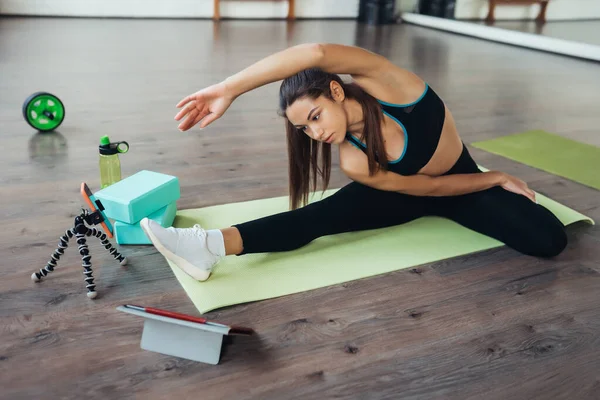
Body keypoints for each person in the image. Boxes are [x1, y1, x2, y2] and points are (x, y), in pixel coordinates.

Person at [140, 43, 567, 282]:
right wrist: (495, 176)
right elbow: (428, 191)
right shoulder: (354, 160)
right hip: (415, 193)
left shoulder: (392, 86)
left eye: (315, 117)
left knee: (549, 239)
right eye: (305, 130)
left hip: (462, 181)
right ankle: (209, 246)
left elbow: (317, 52)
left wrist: (229, 88)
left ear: (336, 92)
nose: (316, 133)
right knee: (321, 216)